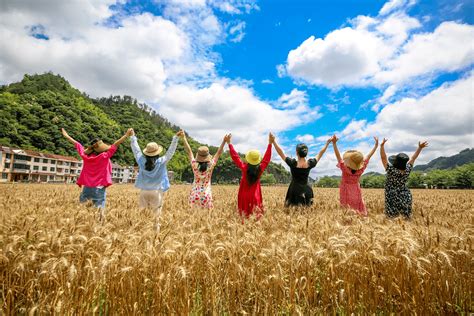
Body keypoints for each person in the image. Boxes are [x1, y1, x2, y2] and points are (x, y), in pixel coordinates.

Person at [61, 127, 132, 222]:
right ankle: (98, 226)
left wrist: (67, 136)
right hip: (99, 188)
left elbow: (77, 144)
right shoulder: (104, 156)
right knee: (99, 213)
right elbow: (115, 144)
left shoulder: (85, 156)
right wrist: (126, 135)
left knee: (83, 212)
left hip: (86, 188)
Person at [129, 128, 182, 231]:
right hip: (157, 192)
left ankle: (141, 234)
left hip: (143, 192)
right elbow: (170, 152)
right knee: (156, 218)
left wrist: (132, 137)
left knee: (142, 216)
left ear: (146, 153)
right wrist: (175, 138)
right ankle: (155, 236)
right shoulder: (162, 161)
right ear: (157, 152)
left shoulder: (141, 160)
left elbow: (136, 150)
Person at [272, 135, 332, 207]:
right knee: (307, 212)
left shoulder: (293, 163)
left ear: (297, 153)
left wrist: (273, 142)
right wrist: (327, 143)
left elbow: (281, 153)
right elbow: (320, 153)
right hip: (306, 190)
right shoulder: (310, 164)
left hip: (294, 190)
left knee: (292, 211)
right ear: (306, 153)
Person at [227, 133, 273, 219]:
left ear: (248, 159)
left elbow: (235, 157)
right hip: (256, 196)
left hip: (243, 196)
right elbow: (266, 159)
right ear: (258, 160)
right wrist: (270, 144)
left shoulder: (244, 167)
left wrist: (229, 144)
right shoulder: (260, 169)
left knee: (243, 219)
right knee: (256, 219)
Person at [380, 138, 428, 219]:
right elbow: (413, 158)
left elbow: (383, 158)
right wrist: (420, 148)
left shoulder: (391, 170)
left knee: (392, 216)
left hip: (392, 194)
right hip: (405, 194)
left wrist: (382, 146)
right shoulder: (407, 169)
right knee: (405, 217)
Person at [331, 135, 379, 216]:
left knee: (346, 208)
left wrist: (334, 144)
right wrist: (376, 146)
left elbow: (338, 156)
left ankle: (347, 220)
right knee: (357, 206)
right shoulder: (361, 168)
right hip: (356, 189)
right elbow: (368, 156)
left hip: (345, 190)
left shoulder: (344, 168)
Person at [181, 132, 229, 209]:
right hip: (206, 195)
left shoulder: (194, 165)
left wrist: (183, 137)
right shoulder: (211, 165)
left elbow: (189, 151)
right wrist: (224, 141)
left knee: (194, 219)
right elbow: (218, 153)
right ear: (207, 156)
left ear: (198, 156)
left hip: (194, 195)